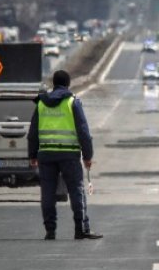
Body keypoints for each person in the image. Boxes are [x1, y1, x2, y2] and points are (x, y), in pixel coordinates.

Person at [28, 70, 103, 240]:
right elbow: (83, 131)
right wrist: (88, 155)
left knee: (47, 193)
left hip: (46, 155)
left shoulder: (41, 103)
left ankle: (50, 230)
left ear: (53, 84)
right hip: (69, 155)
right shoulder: (72, 102)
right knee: (76, 190)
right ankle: (81, 229)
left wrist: (32, 154)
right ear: (68, 84)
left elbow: (33, 133)